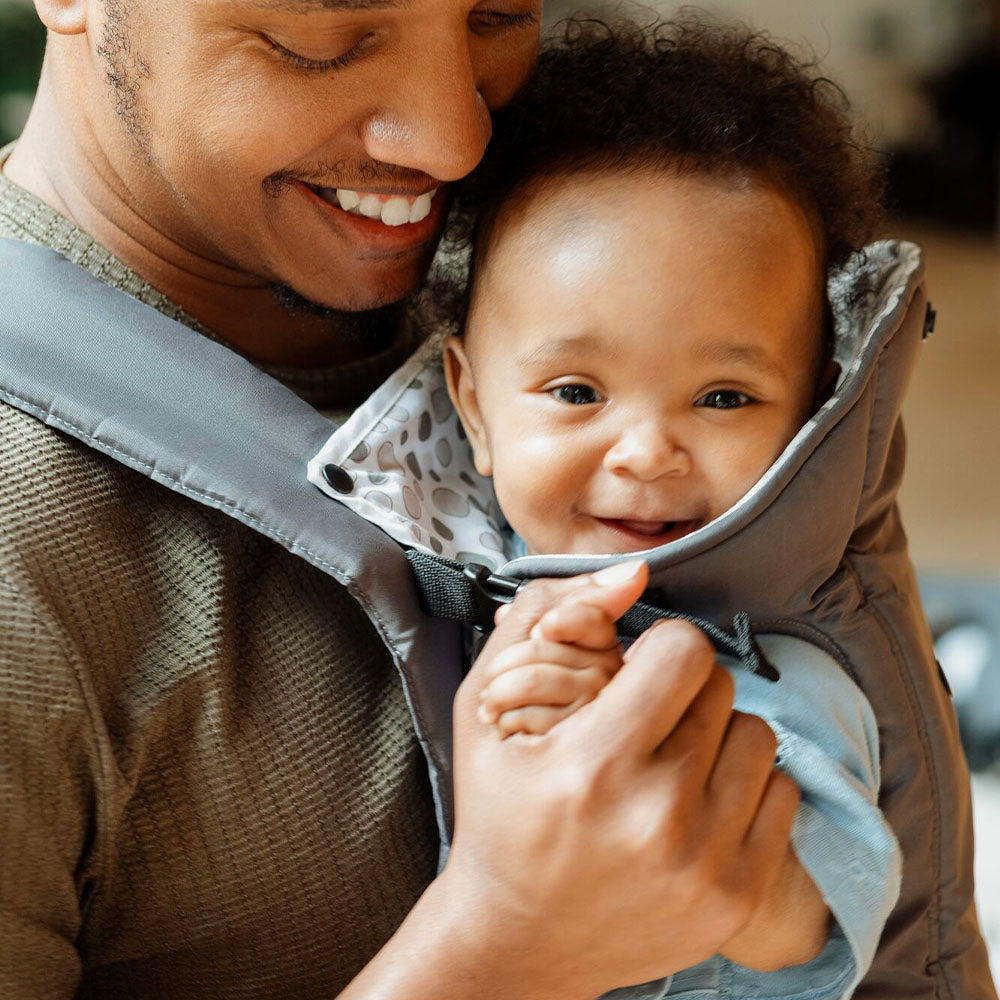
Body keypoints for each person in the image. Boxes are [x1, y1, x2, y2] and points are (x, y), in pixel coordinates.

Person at [0, 0, 840, 997]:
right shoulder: (29, 551)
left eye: (498, 15)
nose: (454, 138)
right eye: (323, 35)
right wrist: (503, 948)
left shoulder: (630, 280)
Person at [306, 16, 998, 1000]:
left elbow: (809, 912)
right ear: (470, 403)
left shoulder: (769, 653)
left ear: (809, 412)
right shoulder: (458, 536)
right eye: (577, 392)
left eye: (723, 397)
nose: (643, 452)